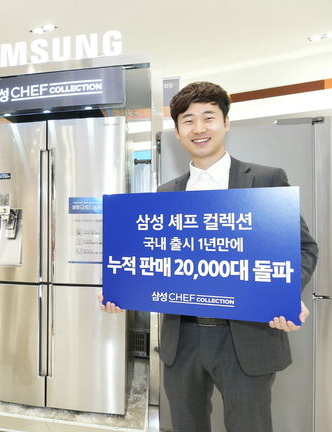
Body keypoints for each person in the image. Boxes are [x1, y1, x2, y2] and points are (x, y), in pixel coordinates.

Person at [101, 81, 318, 432]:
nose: (199, 128)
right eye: (188, 120)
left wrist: (285, 291)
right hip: (181, 337)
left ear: (226, 123)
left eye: (208, 117)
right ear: (177, 131)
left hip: (246, 336)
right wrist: (121, 289)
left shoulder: (265, 179)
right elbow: (155, 259)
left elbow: (304, 248)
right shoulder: (165, 193)